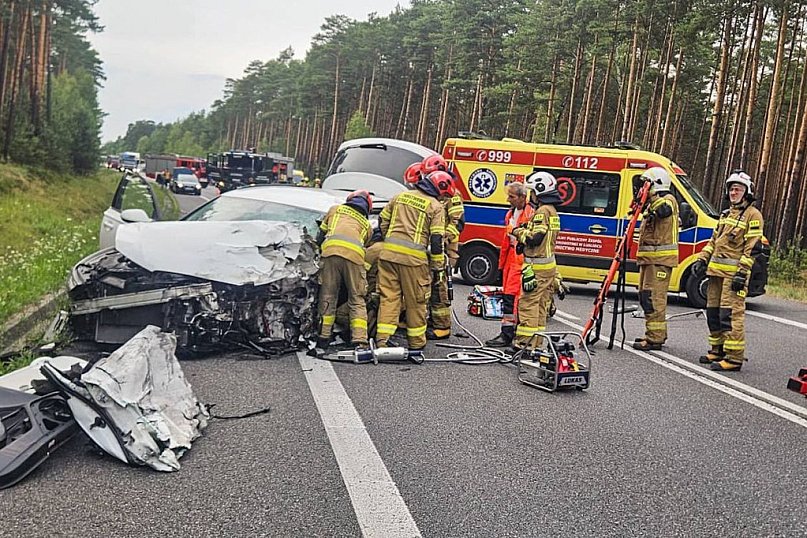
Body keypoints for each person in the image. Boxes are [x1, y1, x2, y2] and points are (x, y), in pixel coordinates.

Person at [692, 171, 764, 371]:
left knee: (730, 315)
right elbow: (714, 242)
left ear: (747, 192)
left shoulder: (753, 215)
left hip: (734, 277)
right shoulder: (725, 214)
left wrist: (742, 273)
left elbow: (753, 247)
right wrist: (702, 259)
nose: (734, 192)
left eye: (738, 189)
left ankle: (733, 358)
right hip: (715, 274)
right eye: (731, 189)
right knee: (713, 312)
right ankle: (718, 349)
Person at [375, 171, 448, 350]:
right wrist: (438, 266)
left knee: (389, 298)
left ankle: (382, 341)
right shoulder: (435, 206)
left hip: (388, 256)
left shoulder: (399, 196)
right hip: (414, 260)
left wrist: (388, 240)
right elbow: (437, 239)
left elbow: (382, 220)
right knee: (416, 301)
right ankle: (416, 343)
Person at [313, 190, 373, 355]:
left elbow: (321, 232)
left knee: (328, 296)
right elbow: (365, 243)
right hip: (354, 258)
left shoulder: (335, 210)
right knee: (357, 298)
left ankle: (323, 337)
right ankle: (360, 341)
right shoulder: (367, 225)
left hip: (330, 253)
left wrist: (317, 251)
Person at [511, 171, 561, 352]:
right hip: (548, 267)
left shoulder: (542, 211)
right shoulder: (552, 211)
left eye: (532, 191)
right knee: (540, 306)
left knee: (528, 304)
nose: (530, 196)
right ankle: (536, 344)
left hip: (537, 267)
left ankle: (523, 344)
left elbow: (536, 237)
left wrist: (517, 232)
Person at [632, 167, 679, 351]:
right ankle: (651, 334)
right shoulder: (652, 205)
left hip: (660, 262)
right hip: (649, 260)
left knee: (654, 299)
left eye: (647, 184)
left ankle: (655, 338)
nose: (644, 188)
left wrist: (648, 198)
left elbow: (663, 210)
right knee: (645, 297)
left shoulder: (668, 200)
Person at [486, 181, 535, 347]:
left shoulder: (530, 213)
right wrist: (501, 266)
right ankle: (508, 333)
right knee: (508, 296)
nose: (508, 199)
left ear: (523, 197)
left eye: (512, 196)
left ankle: (509, 335)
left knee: (512, 299)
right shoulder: (511, 213)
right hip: (510, 259)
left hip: (520, 260)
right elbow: (507, 241)